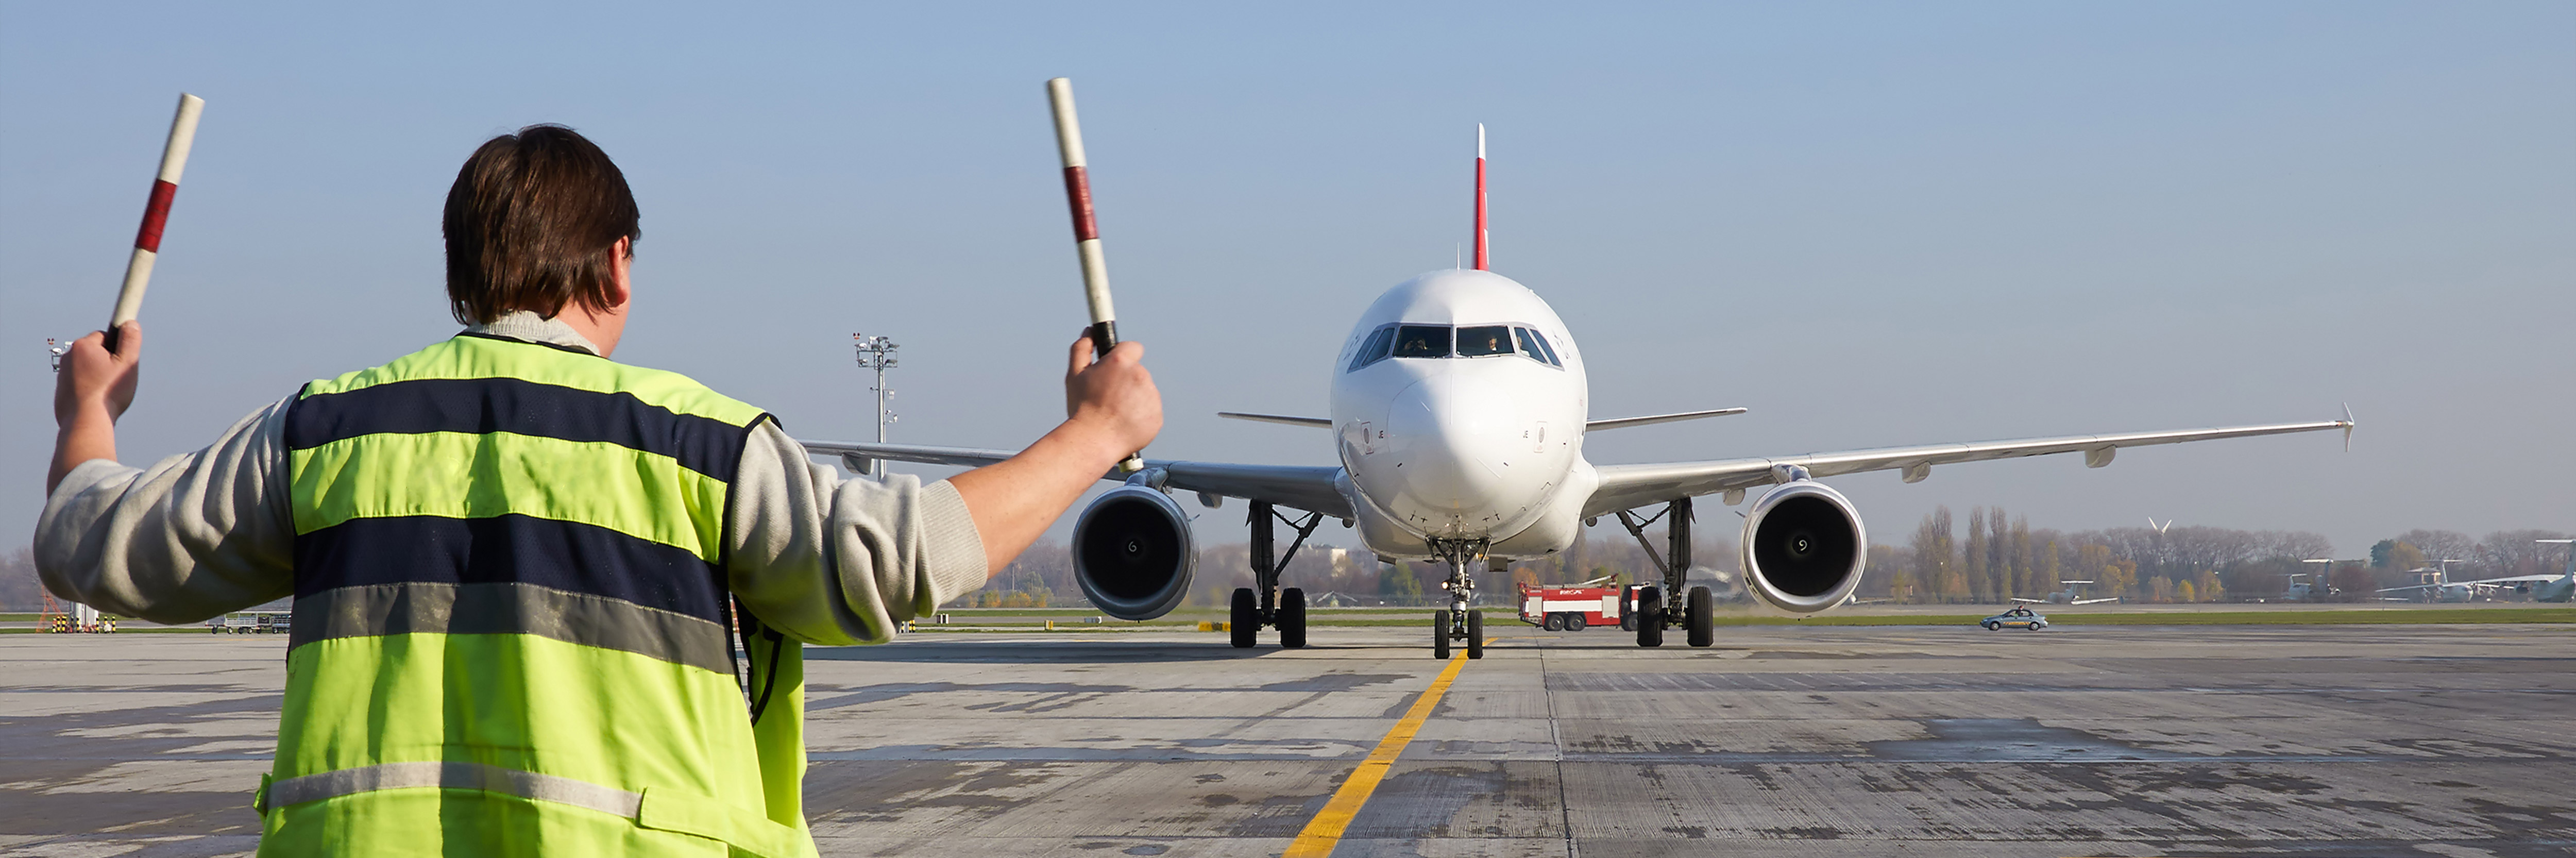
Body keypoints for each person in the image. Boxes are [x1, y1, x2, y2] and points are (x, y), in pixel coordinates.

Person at [37, 124, 1160, 856]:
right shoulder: (696, 446)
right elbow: (904, 557)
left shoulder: (324, 431)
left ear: (458, 269)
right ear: (618, 262)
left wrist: (91, 406)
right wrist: (1094, 430)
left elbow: (88, 546)